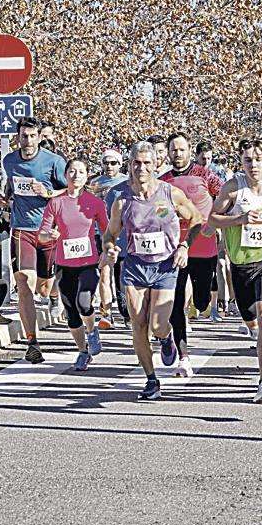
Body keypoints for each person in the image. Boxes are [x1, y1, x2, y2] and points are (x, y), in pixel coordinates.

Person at [101, 141, 202, 400]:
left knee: (157, 325)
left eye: (147, 163)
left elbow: (197, 219)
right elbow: (110, 234)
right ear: (130, 165)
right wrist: (110, 248)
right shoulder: (121, 199)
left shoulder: (170, 193)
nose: (142, 168)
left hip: (166, 265)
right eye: (137, 163)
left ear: (156, 164)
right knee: (138, 322)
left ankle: (166, 337)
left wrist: (184, 246)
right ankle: (151, 379)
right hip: (135, 266)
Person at [205, 138, 262, 403]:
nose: (253, 165)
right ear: (241, 162)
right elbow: (212, 218)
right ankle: (254, 330)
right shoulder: (233, 188)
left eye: (258, 159)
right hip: (241, 265)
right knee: (251, 316)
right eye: (247, 160)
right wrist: (238, 220)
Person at [1, 118, 67, 363]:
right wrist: (5, 199)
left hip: (48, 229)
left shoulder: (53, 162)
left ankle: (53, 296)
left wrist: (49, 193)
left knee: (43, 286)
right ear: (17, 136)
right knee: (25, 285)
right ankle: (32, 342)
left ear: (40, 137)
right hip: (21, 229)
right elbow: (11, 187)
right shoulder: (9, 161)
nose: (27, 141)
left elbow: (72, 188)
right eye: (23, 136)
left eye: (31, 136)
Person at [160, 132, 224, 376]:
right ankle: (183, 356)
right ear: (168, 153)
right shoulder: (163, 181)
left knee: (201, 301)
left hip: (204, 246)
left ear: (189, 151)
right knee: (176, 302)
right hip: (176, 247)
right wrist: (172, 217)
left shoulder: (204, 174)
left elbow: (225, 196)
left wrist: (215, 222)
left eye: (182, 149)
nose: (177, 153)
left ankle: (201, 302)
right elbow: (159, 210)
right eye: (173, 149)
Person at [39, 157, 109, 371]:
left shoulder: (95, 203)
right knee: (70, 311)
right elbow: (42, 235)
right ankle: (82, 352)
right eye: (72, 171)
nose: (76, 175)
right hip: (64, 264)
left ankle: (91, 331)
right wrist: (48, 235)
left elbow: (107, 232)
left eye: (81, 171)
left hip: (88, 262)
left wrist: (108, 252)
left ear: (87, 175)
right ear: (65, 174)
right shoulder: (56, 202)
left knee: (84, 303)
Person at [90, 148, 128, 329]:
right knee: (104, 272)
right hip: (99, 233)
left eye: (113, 163)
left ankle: (127, 311)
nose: (109, 166)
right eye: (106, 162)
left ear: (120, 164)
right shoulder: (94, 183)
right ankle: (106, 312)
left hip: (121, 235)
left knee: (122, 276)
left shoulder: (126, 182)